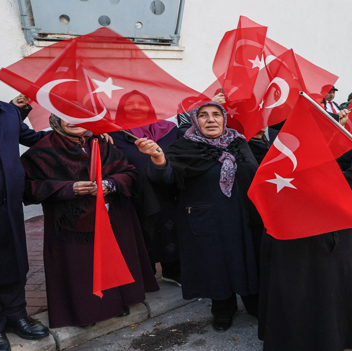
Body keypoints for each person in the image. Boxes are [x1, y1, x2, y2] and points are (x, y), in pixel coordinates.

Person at [20, 114, 159, 329]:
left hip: (112, 216)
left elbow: (128, 173)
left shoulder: (101, 143)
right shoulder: (41, 150)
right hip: (70, 223)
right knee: (80, 269)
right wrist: (67, 188)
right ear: (55, 121)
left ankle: (117, 304)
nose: (74, 121)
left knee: (112, 263)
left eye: (80, 116)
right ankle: (85, 313)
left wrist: (109, 184)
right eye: (64, 117)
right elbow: (26, 188)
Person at [138, 101, 261, 333]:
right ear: (195, 120)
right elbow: (165, 178)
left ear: (225, 119)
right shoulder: (183, 147)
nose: (211, 120)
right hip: (207, 221)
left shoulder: (240, 143)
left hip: (244, 217)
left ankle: (255, 304)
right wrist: (158, 160)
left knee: (248, 259)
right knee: (216, 265)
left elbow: (256, 174)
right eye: (203, 115)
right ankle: (223, 310)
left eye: (216, 114)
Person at [258, 144, 352, 350]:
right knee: (304, 293)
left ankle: (329, 338)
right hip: (298, 241)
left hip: (328, 238)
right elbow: (314, 192)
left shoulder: (318, 149)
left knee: (328, 293)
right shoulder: (291, 149)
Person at [0, 69, 50, 351]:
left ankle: (16, 315)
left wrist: (82, 132)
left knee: (14, 261)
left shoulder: (6, 112)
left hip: (9, 206)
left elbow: (35, 139)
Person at [108, 91, 182, 286]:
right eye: (129, 104)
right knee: (141, 234)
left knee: (170, 231)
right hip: (134, 196)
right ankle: (147, 276)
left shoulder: (170, 130)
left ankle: (172, 272)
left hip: (167, 191)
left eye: (141, 103)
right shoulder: (113, 134)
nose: (136, 107)